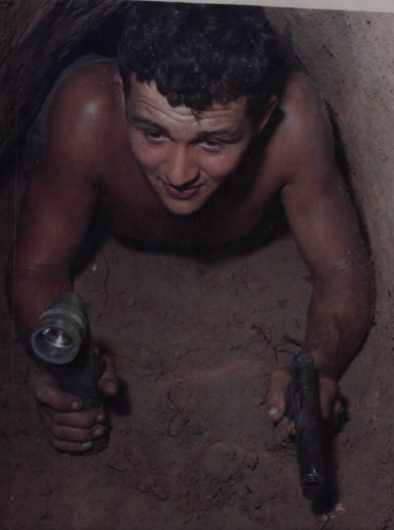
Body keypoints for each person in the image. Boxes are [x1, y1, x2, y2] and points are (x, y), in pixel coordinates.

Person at [8, 2, 373, 454]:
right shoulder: (89, 113)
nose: (179, 174)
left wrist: (317, 367)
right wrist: (65, 369)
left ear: (262, 119)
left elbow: (342, 268)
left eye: (211, 141)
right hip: (72, 111)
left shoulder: (294, 124)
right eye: (154, 133)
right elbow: (37, 270)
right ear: (123, 93)